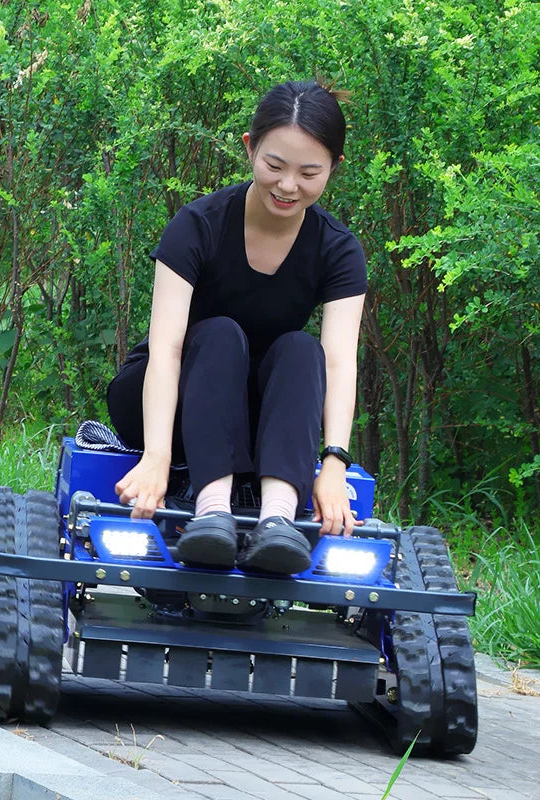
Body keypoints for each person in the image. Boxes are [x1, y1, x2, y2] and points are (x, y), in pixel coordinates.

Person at [107, 80, 367, 575]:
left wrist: (334, 465)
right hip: (171, 402)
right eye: (275, 166)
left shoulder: (338, 250)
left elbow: (337, 361)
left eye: (309, 172)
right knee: (221, 333)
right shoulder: (198, 224)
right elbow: (166, 348)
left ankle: (277, 522)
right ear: (250, 149)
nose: (288, 185)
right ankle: (211, 512)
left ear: (334, 168)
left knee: (301, 349)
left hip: (255, 419)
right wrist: (157, 456)